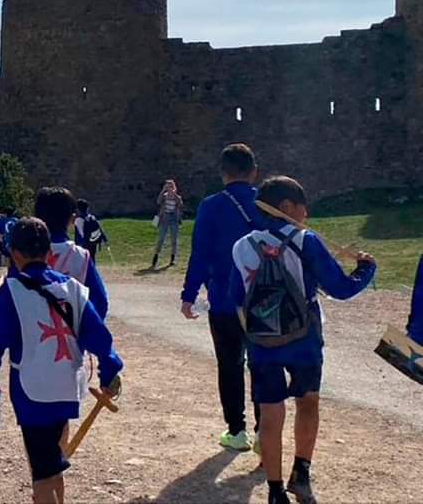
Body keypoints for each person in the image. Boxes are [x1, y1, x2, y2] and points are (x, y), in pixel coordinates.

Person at [229, 176, 376, 504]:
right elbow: (340, 288)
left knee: (269, 413)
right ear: (286, 207)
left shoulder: (241, 247)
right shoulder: (304, 240)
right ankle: (302, 474)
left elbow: (234, 296)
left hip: (262, 341)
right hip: (303, 338)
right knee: (308, 402)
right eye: (302, 207)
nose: (306, 213)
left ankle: (274, 490)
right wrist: (367, 269)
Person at [0, 216, 123, 504]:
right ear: (48, 253)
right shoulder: (74, 289)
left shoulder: (12, 291)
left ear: (15, 254)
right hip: (67, 386)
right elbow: (98, 336)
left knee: (41, 472)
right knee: (54, 463)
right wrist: (109, 371)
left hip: (32, 392)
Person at [180, 143, 261, 452]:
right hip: (263, 301)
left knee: (229, 364)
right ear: (254, 172)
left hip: (225, 299)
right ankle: (264, 430)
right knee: (261, 363)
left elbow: (200, 253)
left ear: (223, 173)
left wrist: (189, 294)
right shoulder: (266, 204)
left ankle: (237, 430)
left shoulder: (211, 206)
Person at [35, 187, 109, 319]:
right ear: (72, 218)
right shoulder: (80, 257)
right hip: (70, 335)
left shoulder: (23, 254)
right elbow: (99, 302)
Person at [152, 179, 183, 268]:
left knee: (174, 239)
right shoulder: (164, 196)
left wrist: (174, 194)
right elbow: (158, 201)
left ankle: (173, 258)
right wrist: (163, 191)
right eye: (167, 186)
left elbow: (180, 204)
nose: (169, 188)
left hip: (174, 218)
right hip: (164, 218)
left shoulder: (177, 196)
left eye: (171, 186)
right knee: (161, 238)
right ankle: (156, 257)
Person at [73, 199, 108, 263]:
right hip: (93, 242)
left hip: (84, 244)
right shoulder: (92, 217)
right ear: (87, 208)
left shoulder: (78, 220)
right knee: (92, 259)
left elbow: (79, 234)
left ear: (78, 209)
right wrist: (105, 239)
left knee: (84, 262)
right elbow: (100, 228)